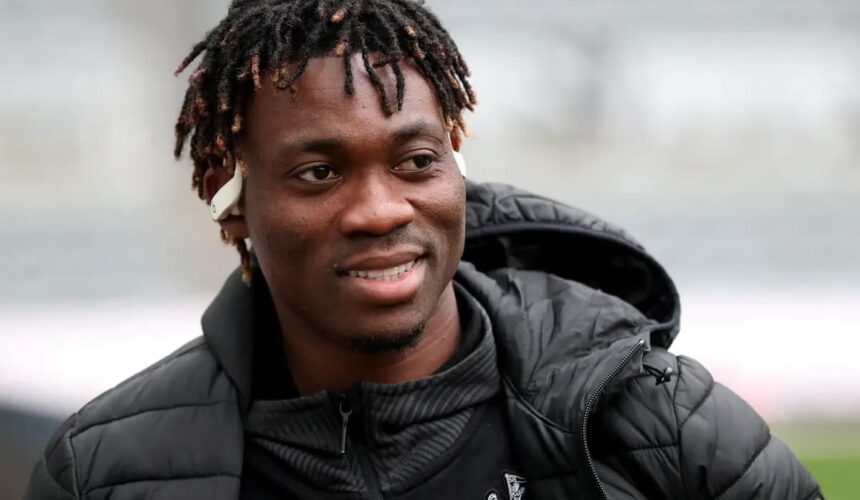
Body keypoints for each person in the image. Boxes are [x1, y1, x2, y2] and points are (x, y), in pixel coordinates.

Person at [25, 1, 821, 499]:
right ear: (232, 206)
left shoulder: (665, 426)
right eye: (318, 173)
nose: (380, 210)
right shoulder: (107, 471)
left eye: (414, 162)